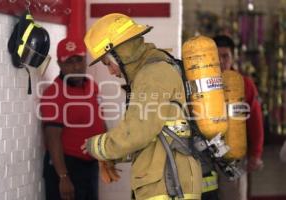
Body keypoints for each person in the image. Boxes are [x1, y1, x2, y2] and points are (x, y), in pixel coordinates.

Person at [81, 13, 202, 200]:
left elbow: (137, 132)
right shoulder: (153, 71)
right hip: (168, 180)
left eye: (108, 63)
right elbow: (153, 134)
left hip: (169, 184)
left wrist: (96, 146)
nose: (111, 71)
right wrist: (112, 155)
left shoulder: (152, 75)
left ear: (119, 53)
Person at [40, 37, 105, 200]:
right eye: (69, 62)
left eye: (79, 60)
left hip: (90, 167)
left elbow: (99, 121)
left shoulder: (92, 86)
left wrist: (106, 156)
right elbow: (52, 138)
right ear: (60, 65)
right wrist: (63, 177)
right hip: (67, 167)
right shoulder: (53, 93)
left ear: (85, 60)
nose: (76, 66)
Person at [213, 35, 264, 200]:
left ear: (233, 58)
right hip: (204, 156)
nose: (221, 61)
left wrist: (255, 154)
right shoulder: (199, 84)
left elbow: (255, 121)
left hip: (234, 156)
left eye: (225, 56)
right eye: (216, 56)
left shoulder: (245, 85)